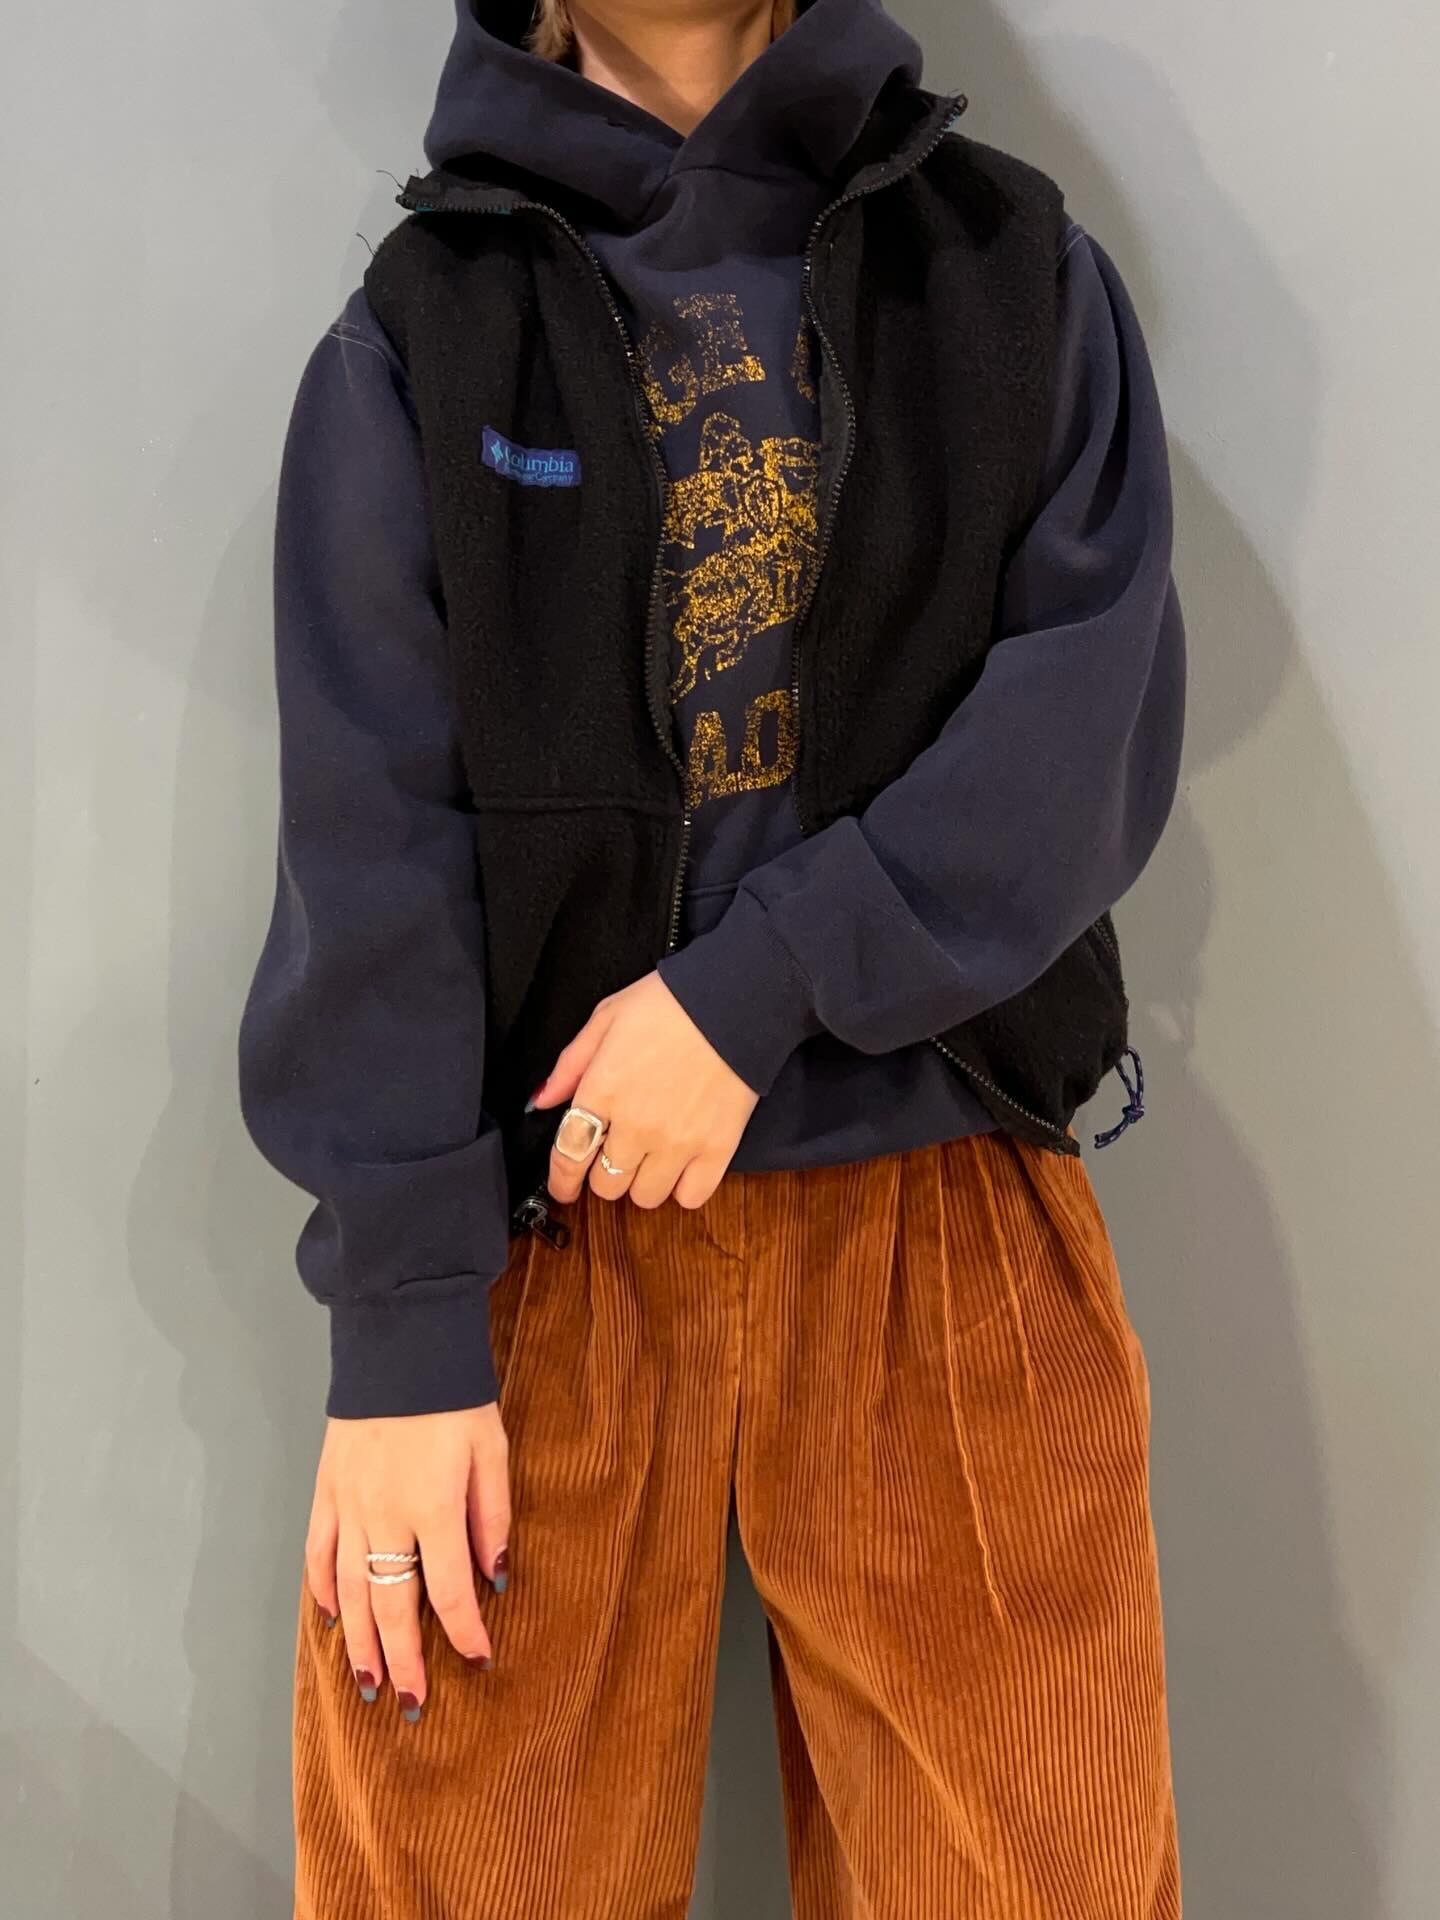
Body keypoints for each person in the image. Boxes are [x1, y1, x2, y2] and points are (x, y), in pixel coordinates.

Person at [239, 0, 1186, 1911]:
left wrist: (756, 991)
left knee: (1040, 1876)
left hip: (944, 1208)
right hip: (540, 1245)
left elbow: (1079, 742)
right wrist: (403, 1326)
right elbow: (373, 846)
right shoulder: (426, 328)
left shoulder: (1007, 267)